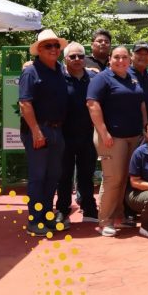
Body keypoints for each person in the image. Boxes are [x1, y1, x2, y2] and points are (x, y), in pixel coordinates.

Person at [87, 45, 147, 237]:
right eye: (116, 57)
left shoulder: (132, 78)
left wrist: (145, 127)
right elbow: (92, 104)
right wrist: (103, 132)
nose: (121, 61)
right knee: (113, 179)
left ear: (130, 59)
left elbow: (141, 103)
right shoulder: (102, 78)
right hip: (112, 138)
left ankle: (119, 216)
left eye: (124, 57)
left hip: (134, 136)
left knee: (125, 178)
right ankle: (105, 221)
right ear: (110, 59)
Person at [19, 29, 69, 236]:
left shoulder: (60, 70)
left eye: (56, 45)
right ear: (39, 49)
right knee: (38, 177)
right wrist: (36, 132)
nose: (54, 49)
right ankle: (35, 219)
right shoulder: (30, 72)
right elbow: (25, 103)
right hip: (39, 131)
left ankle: (47, 215)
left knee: (53, 176)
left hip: (57, 130)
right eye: (48, 46)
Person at [56, 42, 98, 224]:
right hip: (63, 134)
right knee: (64, 175)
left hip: (87, 134)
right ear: (65, 59)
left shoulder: (93, 77)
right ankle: (62, 210)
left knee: (86, 174)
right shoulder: (58, 77)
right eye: (72, 56)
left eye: (80, 56)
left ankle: (89, 208)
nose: (77, 59)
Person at [130, 41, 148, 120]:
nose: (143, 56)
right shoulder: (125, 74)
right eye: (139, 53)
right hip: (132, 123)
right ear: (131, 55)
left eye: (146, 54)